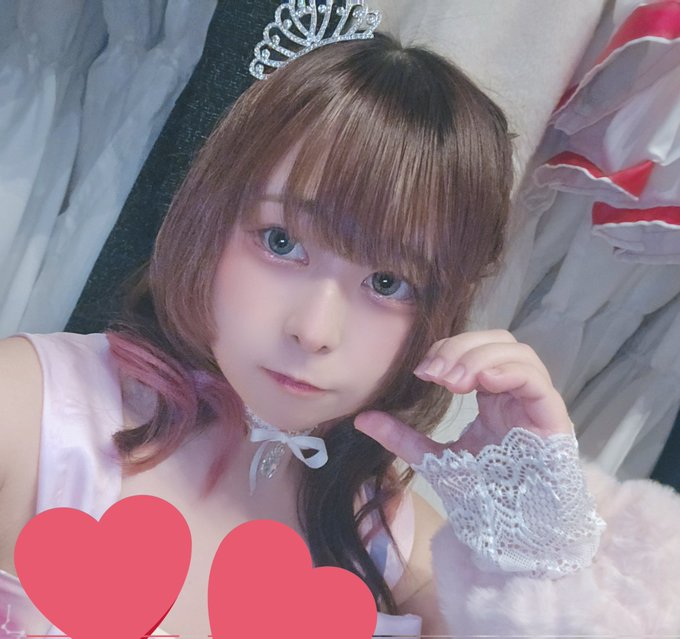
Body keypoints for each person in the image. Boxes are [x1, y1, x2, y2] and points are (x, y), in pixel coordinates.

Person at [1, 2, 680, 637]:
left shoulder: (394, 546)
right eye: (280, 242)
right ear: (211, 214)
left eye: (387, 282)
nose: (315, 330)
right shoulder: (31, 408)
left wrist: (533, 561)